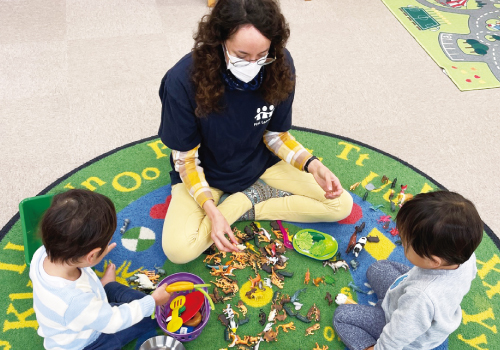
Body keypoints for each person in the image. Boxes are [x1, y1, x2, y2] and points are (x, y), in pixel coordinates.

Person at [158, 0, 353, 264]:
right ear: (219, 40)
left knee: (341, 204)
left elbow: (275, 135)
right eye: (241, 55)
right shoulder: (182, 80)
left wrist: (311, 164)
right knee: (178, 251)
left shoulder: (280, 64)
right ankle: (236, 204)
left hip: (260, 162)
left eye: (262, 55)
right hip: (206, 171)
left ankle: (245, 202)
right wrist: (211, 211)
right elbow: (186, 159)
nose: (253, 64)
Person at [333, 190, 483, 350]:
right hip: (413, 300)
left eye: (405, 244)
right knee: (378, 268)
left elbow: (395, 337)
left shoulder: (420, 297)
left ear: (433, 261)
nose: (402, 243)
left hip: (405, 328)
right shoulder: (463, 254)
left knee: (342, 317)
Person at [29, 189, 172, 350]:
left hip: (86, 311)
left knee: (142, 305)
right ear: (91, 257)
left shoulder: (42, 254)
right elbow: (112, 322)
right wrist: (152, 302)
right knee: (150, 315)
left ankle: (105, 286)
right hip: (85, 342)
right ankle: (110, 289)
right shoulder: (74, 301)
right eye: (106, 245)